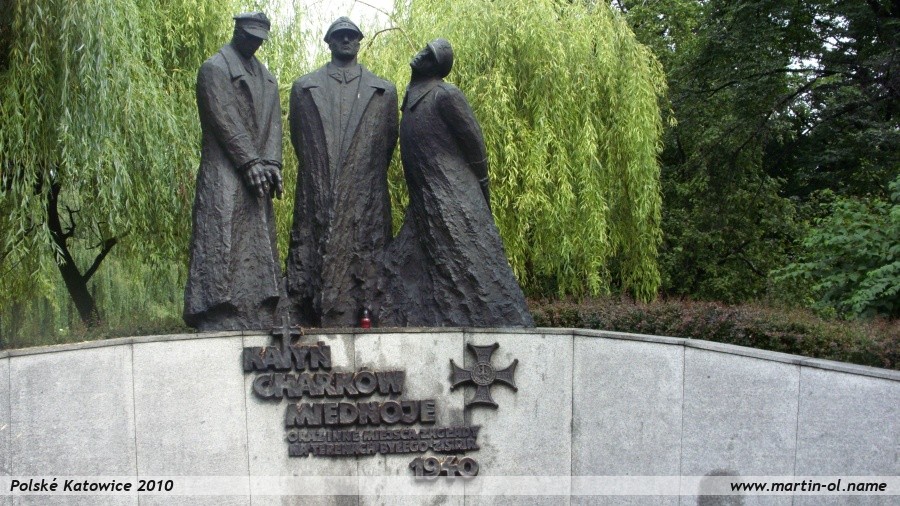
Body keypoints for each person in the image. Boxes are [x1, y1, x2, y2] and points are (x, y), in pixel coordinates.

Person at [379, 39, 534, 327]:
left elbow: (474, 143)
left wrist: (482, 184)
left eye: (430, 55)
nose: (421, 55)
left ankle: (501, 320)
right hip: (422, 199)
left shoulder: (445, 95)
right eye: (425, 49)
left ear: (437, 67)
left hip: (450, 193)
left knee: (468, 261)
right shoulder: (411, 97)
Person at [286, 17, 398, 327]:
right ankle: (308, 307)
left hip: (366, 192)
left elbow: (388, 142)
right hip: (318, 186)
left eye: (352, 35)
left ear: (359, 41)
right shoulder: (303, 88)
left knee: (367, 259)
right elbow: (299, 139)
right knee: (311, 252)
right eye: (339, 35)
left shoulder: (384, 91)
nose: (346, 40)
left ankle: (367, 309)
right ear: (329, 42)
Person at [183, 12, 284, 331]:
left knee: (258, 242)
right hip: (225, 172)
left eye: (259, 39)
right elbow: (223, 118)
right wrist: (250, 162)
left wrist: (272, 163)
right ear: (237, 31)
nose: (254, 43)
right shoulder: (215, 69)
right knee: (222, 238)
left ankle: (259, 306)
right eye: (249, 36)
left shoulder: (267, 78)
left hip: (257, 174)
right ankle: (217, 308)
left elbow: (274, 124)